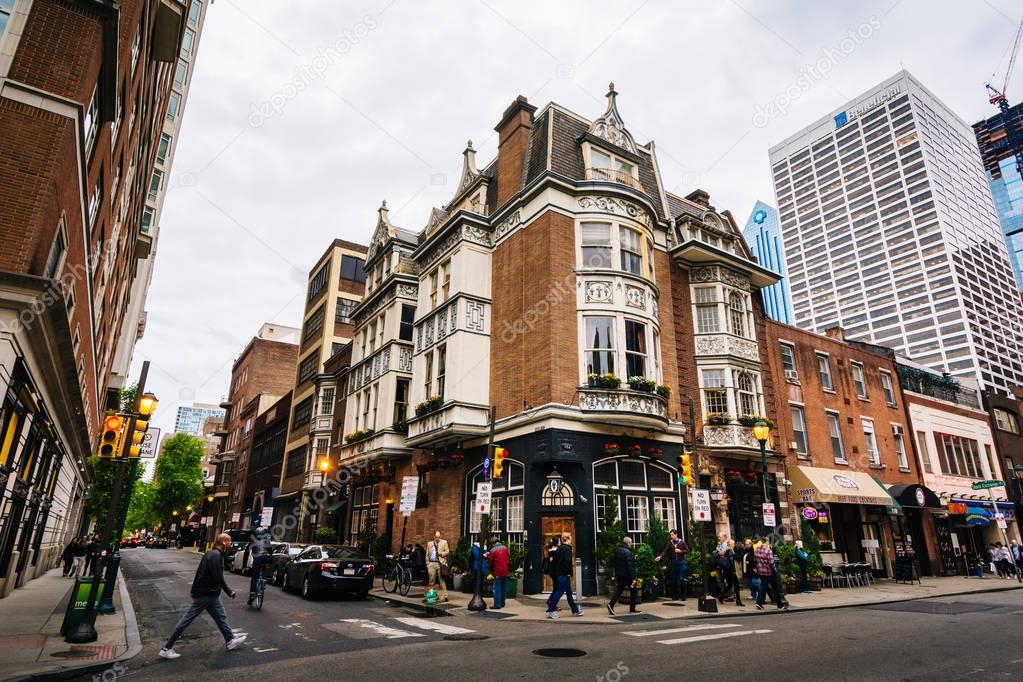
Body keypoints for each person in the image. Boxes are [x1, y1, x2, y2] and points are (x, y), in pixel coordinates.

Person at [159, 533, 247, 659]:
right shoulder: (216, 556)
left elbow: (199, 572)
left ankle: (230, 640)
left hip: (210, 593)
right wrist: (229, 591)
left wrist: (193, 589)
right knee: (186, 619)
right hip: (206, 594)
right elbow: (218, 577)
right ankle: (166, 648)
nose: (230, 544)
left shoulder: (211, 554)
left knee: (221, 616)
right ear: (223, 542)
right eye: (229, 541)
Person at [547, 533, 582, 619]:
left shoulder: (559, 549)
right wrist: (569, 572)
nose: (571, 539)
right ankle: (551, 610)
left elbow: (555, 562)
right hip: (564, 574)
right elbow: (567, 562)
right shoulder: (567, 549)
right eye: (570, 538)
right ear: (566, 539)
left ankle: (575, 611)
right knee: (559, 592)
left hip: (560, 574)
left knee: (569, 593)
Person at [607, 537, 638, 616]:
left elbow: (615, 564)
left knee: (619, 591)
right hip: (627, 576)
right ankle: (632, 609)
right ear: (627, 543)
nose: (631, 544)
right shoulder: (627, 552)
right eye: (631, 543)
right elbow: (630, 566)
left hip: (620, 575)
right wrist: (633, 577)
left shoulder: (618, 551)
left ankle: (611, 604)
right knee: (633, 591)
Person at [754, 538, 787, 611]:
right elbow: (771, 562)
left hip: (761, 572)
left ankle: (759, 603)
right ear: (767, 542)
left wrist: (758, 568)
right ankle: (780, 606)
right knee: (775, 589)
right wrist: (775, 570)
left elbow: (755, 561)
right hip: (769, 572)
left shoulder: (756, 550)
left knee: (763, 587)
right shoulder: (768, 551)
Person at [656, 529, 688, 601]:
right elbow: (665, 551)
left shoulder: (682, 542)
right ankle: (675, 596)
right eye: (671, 535)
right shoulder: (670, 543)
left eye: (672, 535)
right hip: (674, 563)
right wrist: (660, 557)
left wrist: (680, 551)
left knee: (681, 579)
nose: (671, 536)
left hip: (682, 563)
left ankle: (683, 595)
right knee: (674, 580)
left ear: (676, 534)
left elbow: (687, 550)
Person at [247, 524, 272, 606]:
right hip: (265, 557)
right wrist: (270, 560)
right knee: (264, 568)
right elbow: (270, 549)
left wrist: (246, 565)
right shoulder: (266, 539)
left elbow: (248, 551)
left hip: (257, 558)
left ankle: (253, 593)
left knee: (255, 575)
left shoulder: (253, 539)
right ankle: (264, 580)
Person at [716, 538, 744, 607]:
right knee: (736, 585)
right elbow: (732, 562)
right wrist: (734, 571)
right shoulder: (730, 551)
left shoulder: (726, 551)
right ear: (731, 544)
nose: (734, 545)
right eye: (733, 543)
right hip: (731, 571)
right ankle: (738, 601)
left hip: (727, 571)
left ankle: (721, 596)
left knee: (730, 585)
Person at [425, 530, 450, 603]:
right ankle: (431, 597)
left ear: (440, 536)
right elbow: (427, 554)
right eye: (436, 537)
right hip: (431, 564)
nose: (437, 538)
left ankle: (444, 596)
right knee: (431, 581)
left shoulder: (444, 542)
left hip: (440, 563)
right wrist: (427, 564)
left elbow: (447, 551)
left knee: (442, 581)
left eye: (439, 537)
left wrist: (441, 553)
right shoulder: (429, 544)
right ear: (434, 537)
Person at [488, 536, 510, 609]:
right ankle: (502, 603)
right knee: (503, 588)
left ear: (493, 543)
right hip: (505, 571)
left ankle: (497, 604)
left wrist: (491, 570)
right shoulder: (505, 548)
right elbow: (508, 557)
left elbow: (490, 561)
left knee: (497, 588)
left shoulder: (493, 550)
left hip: (498, 571)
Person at [742, 538, 759, 603]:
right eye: (745, 544)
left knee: (754, 582)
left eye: (747, 544)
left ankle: (757, 593)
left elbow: (755, 559)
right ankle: (753, 594)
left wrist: (749, 563)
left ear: (751, 544)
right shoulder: (746, 550)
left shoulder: (753, 550)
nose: (746, 545)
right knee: (749, 582)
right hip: (747, 569)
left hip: (752, 569)